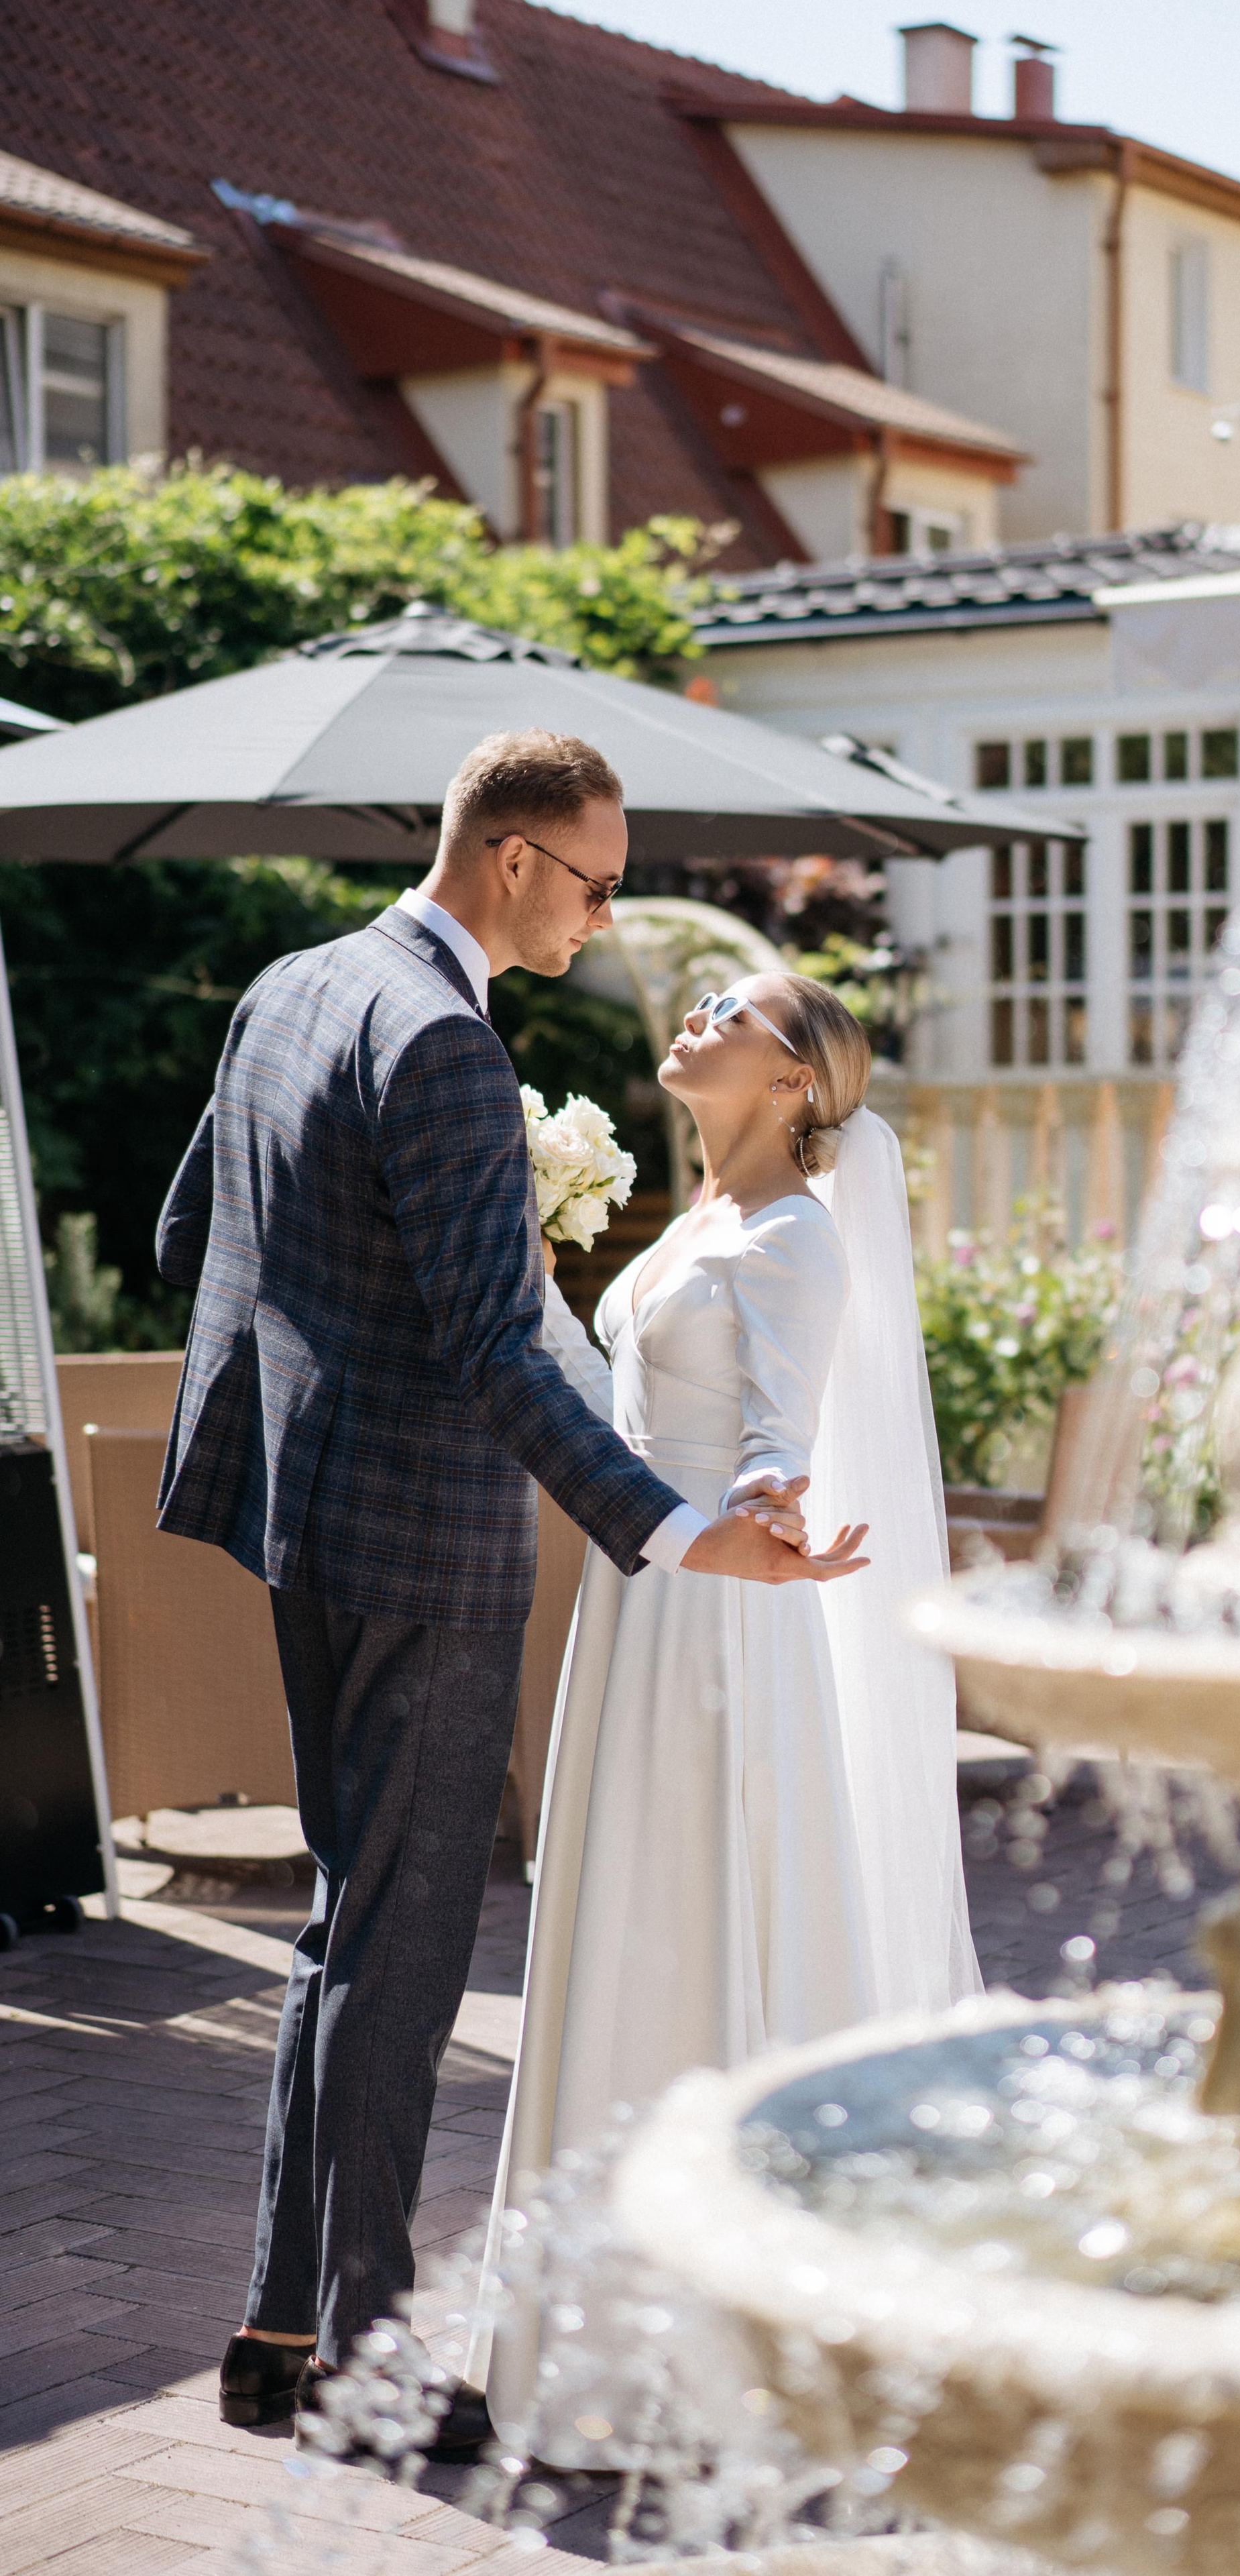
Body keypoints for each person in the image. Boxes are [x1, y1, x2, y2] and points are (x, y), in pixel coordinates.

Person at [155, 730, 865, 2461]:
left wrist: (336, 1361)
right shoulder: (451, 1047)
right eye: (598, 880)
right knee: (397, 1952)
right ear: (512, 858)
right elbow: (488, 1351)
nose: (607, 916)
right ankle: (370, 2365)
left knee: (345, 1920)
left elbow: (195, 1242)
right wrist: (684, 1533)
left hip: (297, 1524)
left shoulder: (293, 986)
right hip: (422, 1542)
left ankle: (277, 2325)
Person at [475, 970, 982, 2436]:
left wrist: (772, 1500)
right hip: (639, 1608)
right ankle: (603, 2351)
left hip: (714, 1626)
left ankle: (710, 2371)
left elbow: (779, 1432)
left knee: (695, 1924)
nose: (696, 1009)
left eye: (735, 1010)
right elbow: (603, 1400)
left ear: (794, 1084)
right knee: (624, 1921)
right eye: (696, 996)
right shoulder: (697, 1224)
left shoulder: (791, 1239)